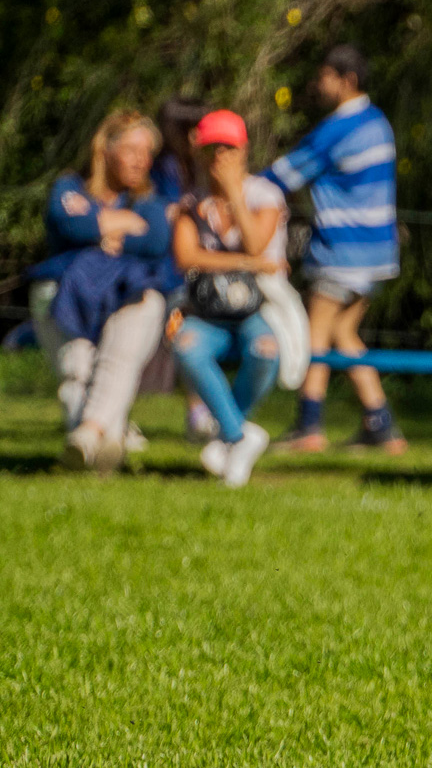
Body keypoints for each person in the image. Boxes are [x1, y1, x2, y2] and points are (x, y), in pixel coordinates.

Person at [263, 44, 406, 454]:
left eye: (325, 76)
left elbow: (282, 176)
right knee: (344, 332)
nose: (317, 84)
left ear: (348, 81)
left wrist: (236, 192)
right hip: (378, 254)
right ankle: (382, 426)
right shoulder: (378, 123)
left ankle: (309, 426)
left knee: (315, 334)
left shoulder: (338, 129)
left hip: (343, 251)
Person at [28, 110, 174, 473]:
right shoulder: (68, 186)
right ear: (105, 150)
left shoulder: (150, 201)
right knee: (76, 368)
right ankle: (105, 447)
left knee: (119, 356)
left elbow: (156, 239)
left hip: (126, 295)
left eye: (148, 152)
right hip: (64, 294)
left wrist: (95, 226)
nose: (143, 159)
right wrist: (120, 225)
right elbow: (69, 224)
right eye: (132, 149)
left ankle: (87, 436)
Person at [169, 109, 289, 488]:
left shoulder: (265, 194)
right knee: (186, 347)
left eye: (228, 148)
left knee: (265, 351)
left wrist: (235, 194)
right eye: (212, 148)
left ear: (243, 150)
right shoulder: (192, 202)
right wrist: (244, 262)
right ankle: (241, 435)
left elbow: (258, 241)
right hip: (209, 312)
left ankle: (226, 439)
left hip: (258, 309)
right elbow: (186, 257)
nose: (219, 156)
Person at [152, 95, 225, 443]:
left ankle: (202, 410)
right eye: (198, 130)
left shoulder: (193, 168)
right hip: (169, 274)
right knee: (185, 333)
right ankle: (199, 411)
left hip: (188, 274)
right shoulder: (166, 167)